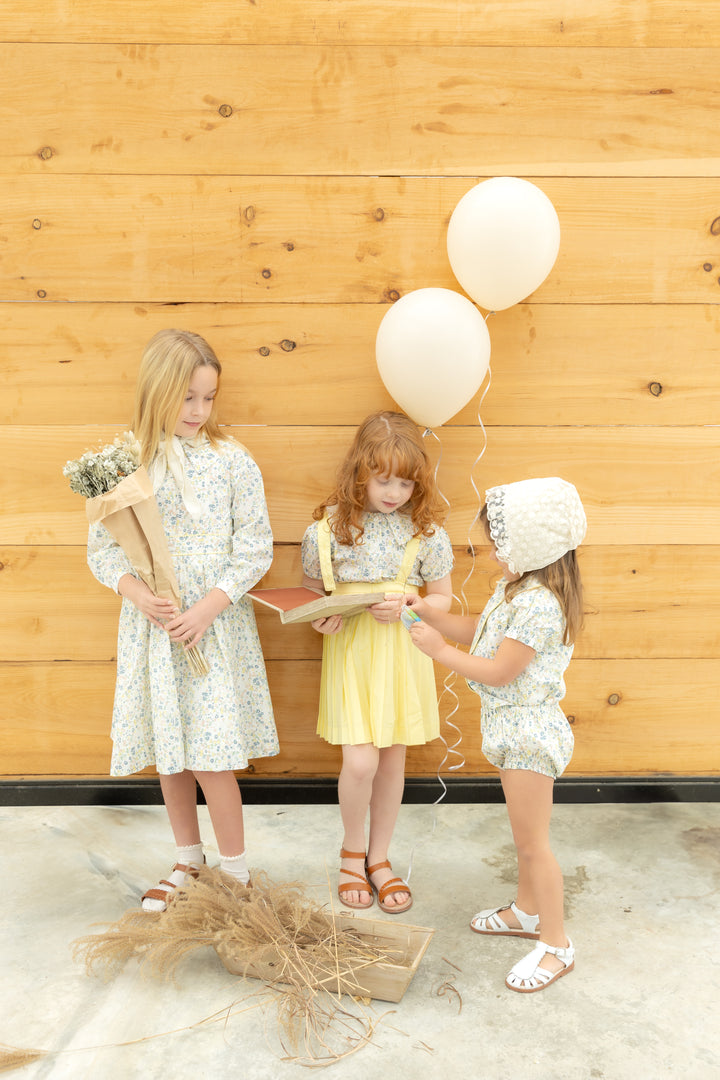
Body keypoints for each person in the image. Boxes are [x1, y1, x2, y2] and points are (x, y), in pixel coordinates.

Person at [88, 329, 279, 911]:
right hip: (156, 630)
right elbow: (103, 550)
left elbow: (255, 546)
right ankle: (187, 860)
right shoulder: (124, 464)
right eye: (187, 398)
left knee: (213, 756)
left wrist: (208, 607)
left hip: (211, 628)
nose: (199, 411)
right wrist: (136, 593)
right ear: (157, 391)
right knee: (171, 751)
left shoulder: (232, 460)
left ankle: (237, 873)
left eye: (208, 398)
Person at [405, 476, 586, 991]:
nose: (490, 555)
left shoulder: (538, 605)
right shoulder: (515, 590)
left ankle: (556, 944)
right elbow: (480, 633)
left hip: (529, 734)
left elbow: (501, 670)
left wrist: (439, 653)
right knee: (523, 838)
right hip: (510, 728)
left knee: (533, 846)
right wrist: (430, 615)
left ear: (529, 546)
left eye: (497, 547)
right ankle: (527, 910)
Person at [301, 411, 453, 914]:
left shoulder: (426, 533)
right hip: (352, 653)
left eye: (406, 483)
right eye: (383, 479)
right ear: (359, 472)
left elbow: (443, 601)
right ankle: (351, 850)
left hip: (401, 654)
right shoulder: (327, 532)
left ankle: (380, 858)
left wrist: (412, 605)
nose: (394, 492)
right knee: (360, 760)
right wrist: (318, 620)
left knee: (392, 760)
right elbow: (307, 596)